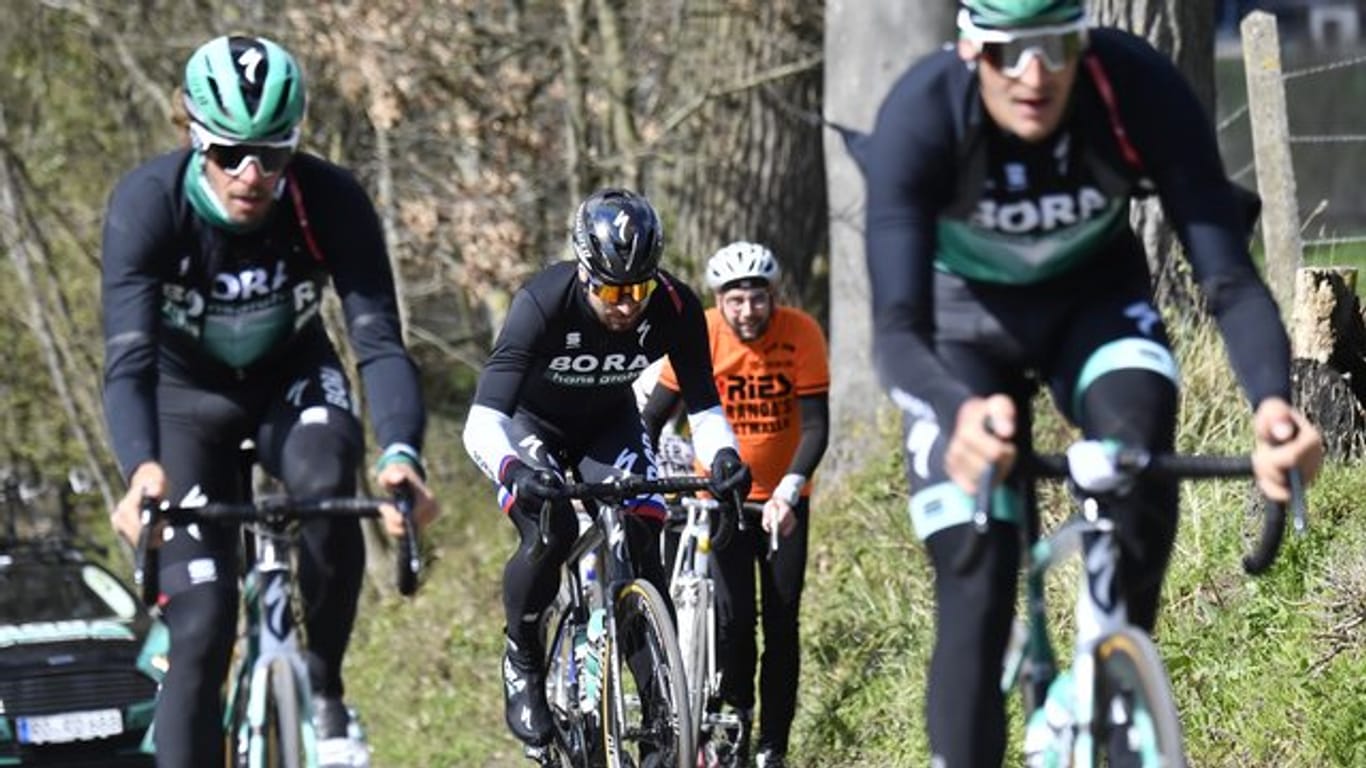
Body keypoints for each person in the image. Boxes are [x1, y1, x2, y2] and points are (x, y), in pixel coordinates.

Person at [862, 2, 1325, 766]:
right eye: (1010, 53)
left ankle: (1116, 670)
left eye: (1054, 47)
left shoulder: (1136, 86)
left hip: (1095, 306)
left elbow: (1231, 282)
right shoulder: (922, 112)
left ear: (1083, 42)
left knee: (1137, 448)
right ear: (972, 52)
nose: (1034, 75)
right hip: (959, 331)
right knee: (976, 574)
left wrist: (1273, 408)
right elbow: (896, 331)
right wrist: (957, 413)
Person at [101, 34, 439, 768]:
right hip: (186, 401)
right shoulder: (148, 206)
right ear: (194, 138)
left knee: (327, 486)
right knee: (202, 627)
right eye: (229, 153)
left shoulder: (332, 199)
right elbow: (126, 362)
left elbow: (378, 340)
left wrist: (404, 455)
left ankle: (325, 684)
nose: (252, 175)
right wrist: (141, 470)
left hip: (291, 379)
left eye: (273, 154)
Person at [460, 187, 753, 751]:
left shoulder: (675, 306)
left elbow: (705, 405)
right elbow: (480, 422)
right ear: (586, 272)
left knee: (643, 529)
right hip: (530, 426)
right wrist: (511, 470)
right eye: (613, 290)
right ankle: (522, 658)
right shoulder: (543, 302)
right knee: (554, 529)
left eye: (638, 288)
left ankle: (664, 712)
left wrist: (723, 457)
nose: (626, 305)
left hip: (609, 423)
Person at [641, 241, 831, 768]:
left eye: (757, 299)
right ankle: (735, 724)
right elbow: (654, 417)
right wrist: (645, 475)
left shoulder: (802, 333)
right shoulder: (700, 332)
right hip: (719, 498)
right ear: (719, 301)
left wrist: (791, 490)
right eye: (736, 300)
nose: (748, 311)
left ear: (773, 297)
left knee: (782, 621)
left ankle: (774, 743)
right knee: (733, 620)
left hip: (784, 501)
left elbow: (816, 427)